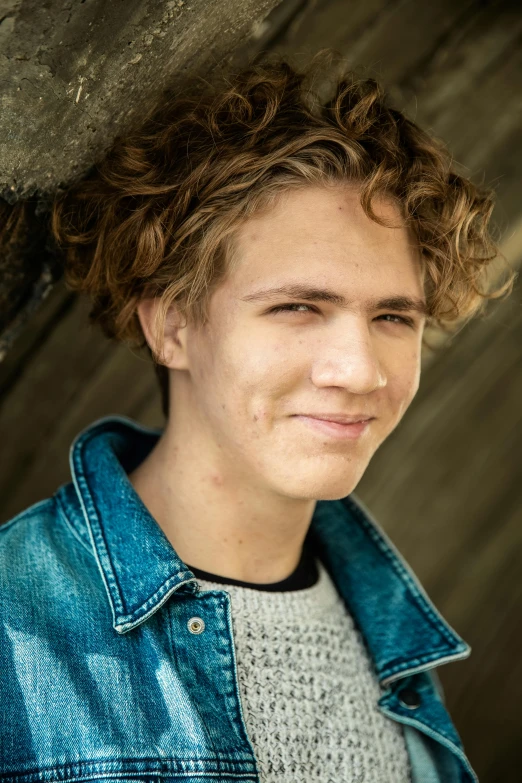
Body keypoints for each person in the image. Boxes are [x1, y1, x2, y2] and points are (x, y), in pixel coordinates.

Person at [0, 50, 515, 782]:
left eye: (394, 316)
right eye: (299, 306)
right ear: (172, 327)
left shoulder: (395, 642)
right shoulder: (12, 624)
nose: (361, 369)